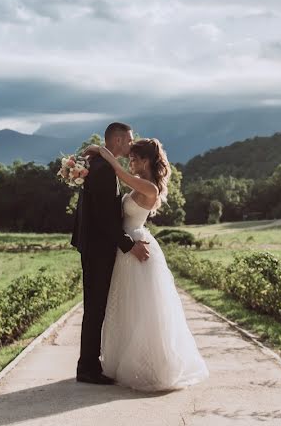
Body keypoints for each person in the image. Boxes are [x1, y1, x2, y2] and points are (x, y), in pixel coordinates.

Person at [86, 138, 209, 391]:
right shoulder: (138, 185)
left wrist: (101, 150)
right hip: (128, 246)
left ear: (145, 161)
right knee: (127, 307)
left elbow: (118, 172)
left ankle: (154, 367)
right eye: (129, 158)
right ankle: (125, 361)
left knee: (145, 310)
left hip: (137, 246)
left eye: (133, 158)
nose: (129, 162)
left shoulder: (149, 187)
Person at [71, 122, 150, 385]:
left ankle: (89, 364)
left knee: (94, 307)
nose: (131, 146)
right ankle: (88, 369)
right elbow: (106, 217)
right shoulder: (104, 169)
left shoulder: (97, 163)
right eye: (129, 140)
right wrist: (128, 245)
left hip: (91, 245)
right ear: (116, 141)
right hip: (98, 248)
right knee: (95, 308)